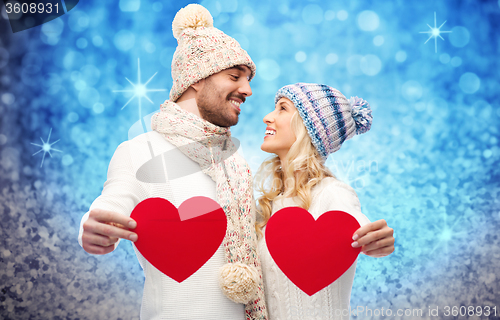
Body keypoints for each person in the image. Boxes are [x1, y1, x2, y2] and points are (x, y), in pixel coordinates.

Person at [77, 4, 268, 320]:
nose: (247, 90)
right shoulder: (140, 151)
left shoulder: (235, 160)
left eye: (247, 80)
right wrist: (91, 226)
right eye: (235, 76)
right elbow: (111, 204)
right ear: (196, 79)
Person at [255, 83, 395, 319]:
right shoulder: (268, 207)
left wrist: (379, 240)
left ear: (308, 128)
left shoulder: (332, 193)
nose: (267, 117)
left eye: (282, 108)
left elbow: (360, 229)